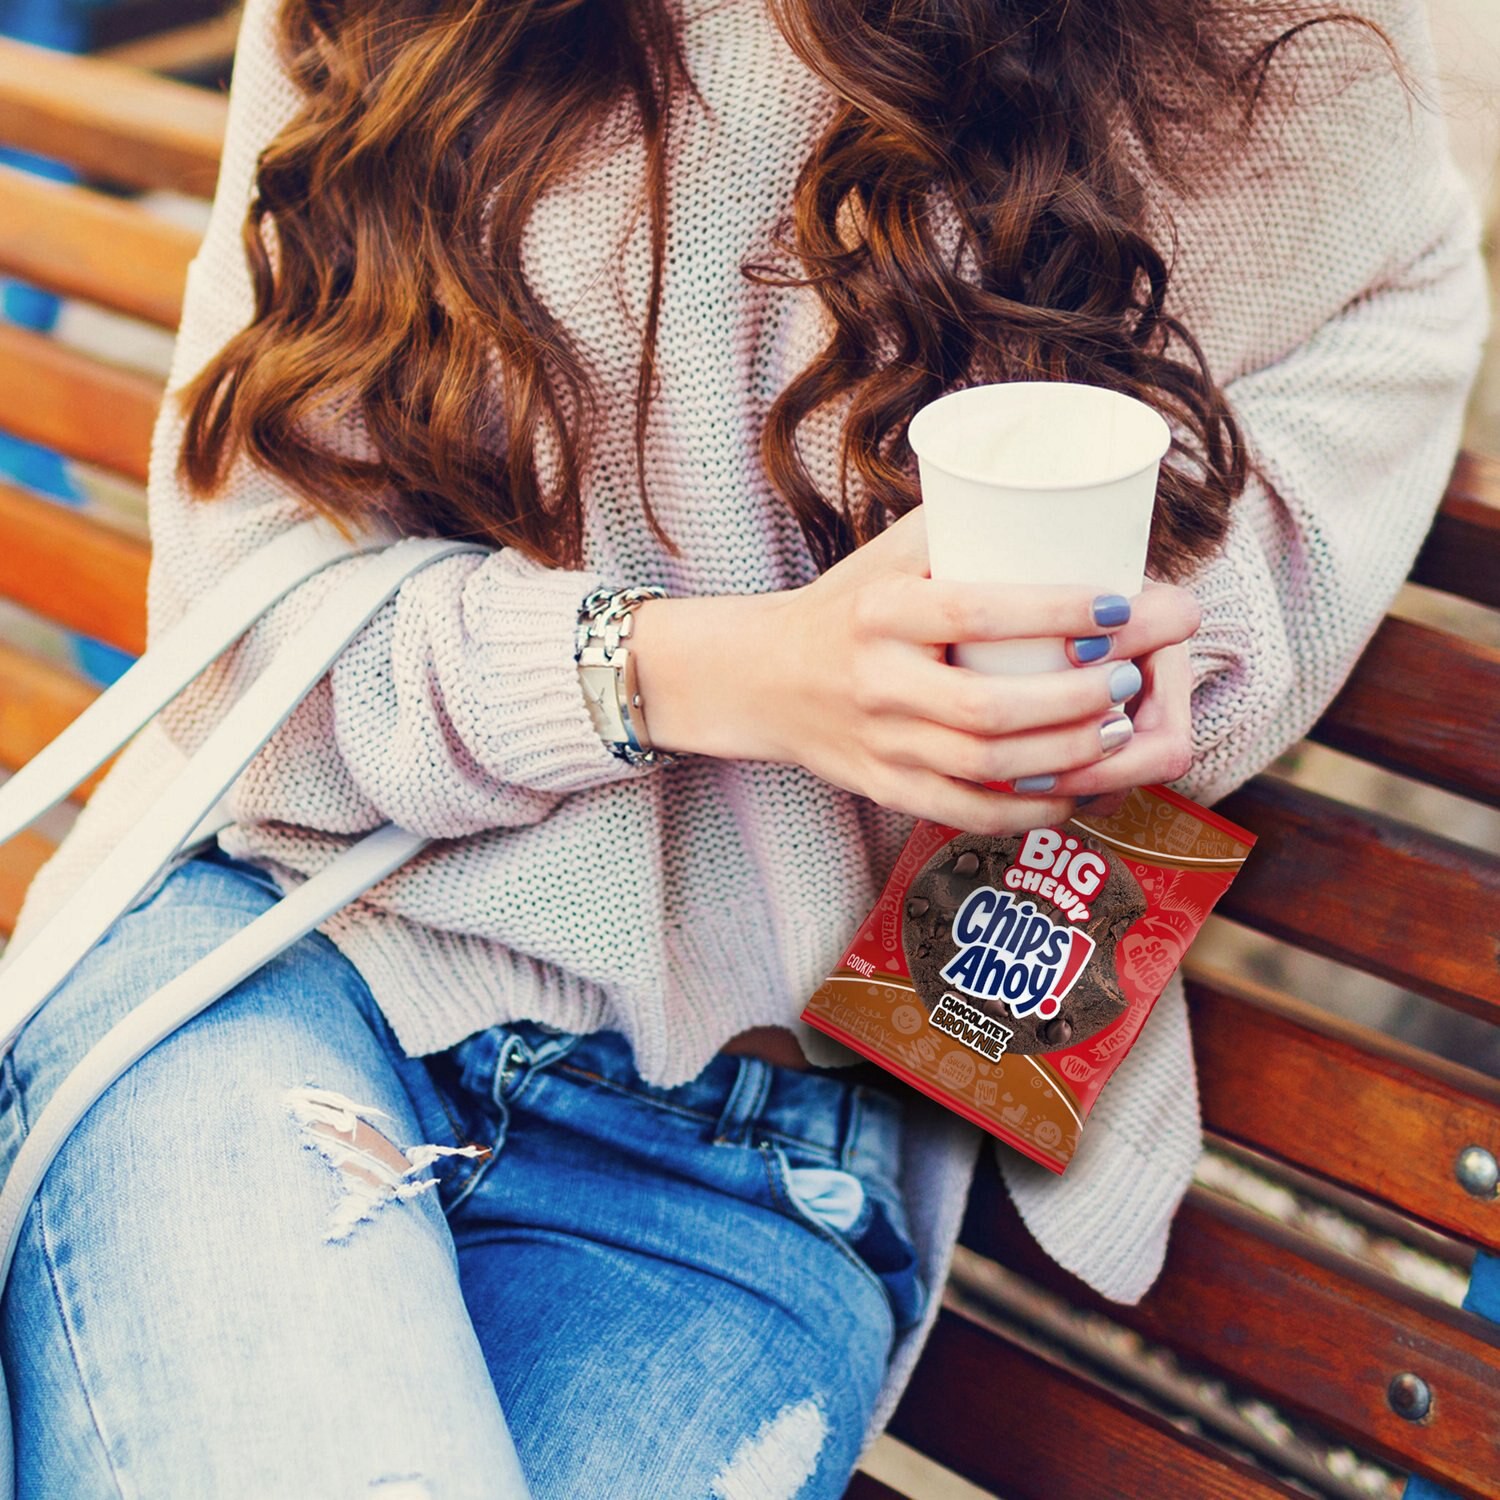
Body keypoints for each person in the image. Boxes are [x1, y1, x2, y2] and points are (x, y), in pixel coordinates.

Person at [0, 0, 1487, 1491]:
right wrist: (725, 674)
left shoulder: (1228, 36)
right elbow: (246, 619)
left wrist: (1170, 633)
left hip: (755, 1153)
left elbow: (1404, 298)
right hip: (285, 972)